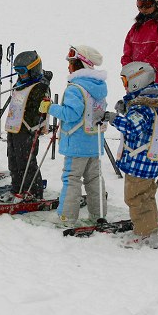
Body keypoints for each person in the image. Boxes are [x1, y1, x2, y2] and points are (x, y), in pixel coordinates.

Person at [103, 62, 158, 249]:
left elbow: (132, 127)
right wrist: (127, 108)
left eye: (125, 81)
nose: (124, 85)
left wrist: (113, 118)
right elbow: (146, 122)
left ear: (137, 81)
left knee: (136, 197)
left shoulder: (143, 106)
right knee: (146, 195)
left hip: (140, 161)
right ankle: (150, 228)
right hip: (151, 159)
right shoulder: (154, 99)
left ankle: (145, 233)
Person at [39, 45, 108, 226]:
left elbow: (70, 114)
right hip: (94, 140)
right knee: (94, 178)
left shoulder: (75, 88)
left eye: (70, 63)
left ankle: (66, 216)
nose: (68, 67)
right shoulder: (98, 87)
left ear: (79, 64)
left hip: (76, 142)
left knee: (72, 179)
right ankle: (98, 213)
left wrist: (50, 108)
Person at [0, 51, 52, 202]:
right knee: (13, 160)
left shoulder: (40, 87)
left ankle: (33, 191)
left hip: (28, 129)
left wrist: (45, 81)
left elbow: (37, 105)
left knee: (26, 162)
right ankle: (17, 187)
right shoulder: (21, 84)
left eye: (22, 71)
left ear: (33, 70)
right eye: (17, 72)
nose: (20, 75)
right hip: (14, 127)